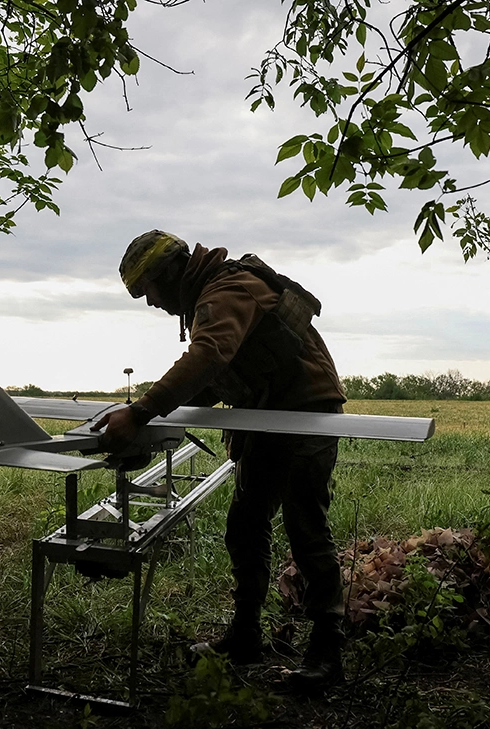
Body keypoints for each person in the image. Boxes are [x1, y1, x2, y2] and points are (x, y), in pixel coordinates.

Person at [93, 230, 349, 690]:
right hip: (265, 414)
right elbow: (214, 379)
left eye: (148, 289)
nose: (151, 302)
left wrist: (141, 412)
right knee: (246, 525)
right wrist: (151, 416)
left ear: (171, 272)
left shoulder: (227, 289)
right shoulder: (209, 296)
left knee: (306, 528)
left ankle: (328, 652)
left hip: (306, 412)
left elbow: (209, 357)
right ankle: (245, 635)